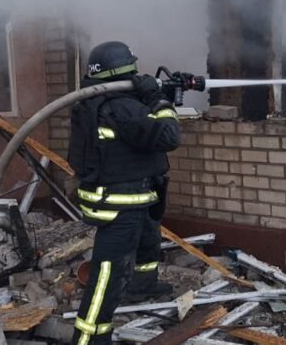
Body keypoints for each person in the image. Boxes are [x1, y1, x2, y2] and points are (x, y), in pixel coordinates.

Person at [67, 41, 181, 345]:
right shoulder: (122, 108)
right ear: (125, 69)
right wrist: (159, 100)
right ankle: (89, 337)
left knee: (148, 241)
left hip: (123, 194)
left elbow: (137, 130)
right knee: (108, 274)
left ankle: (142, 286)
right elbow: (169, 135)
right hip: (121, 203)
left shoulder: (98, 102)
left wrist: (157, 95)